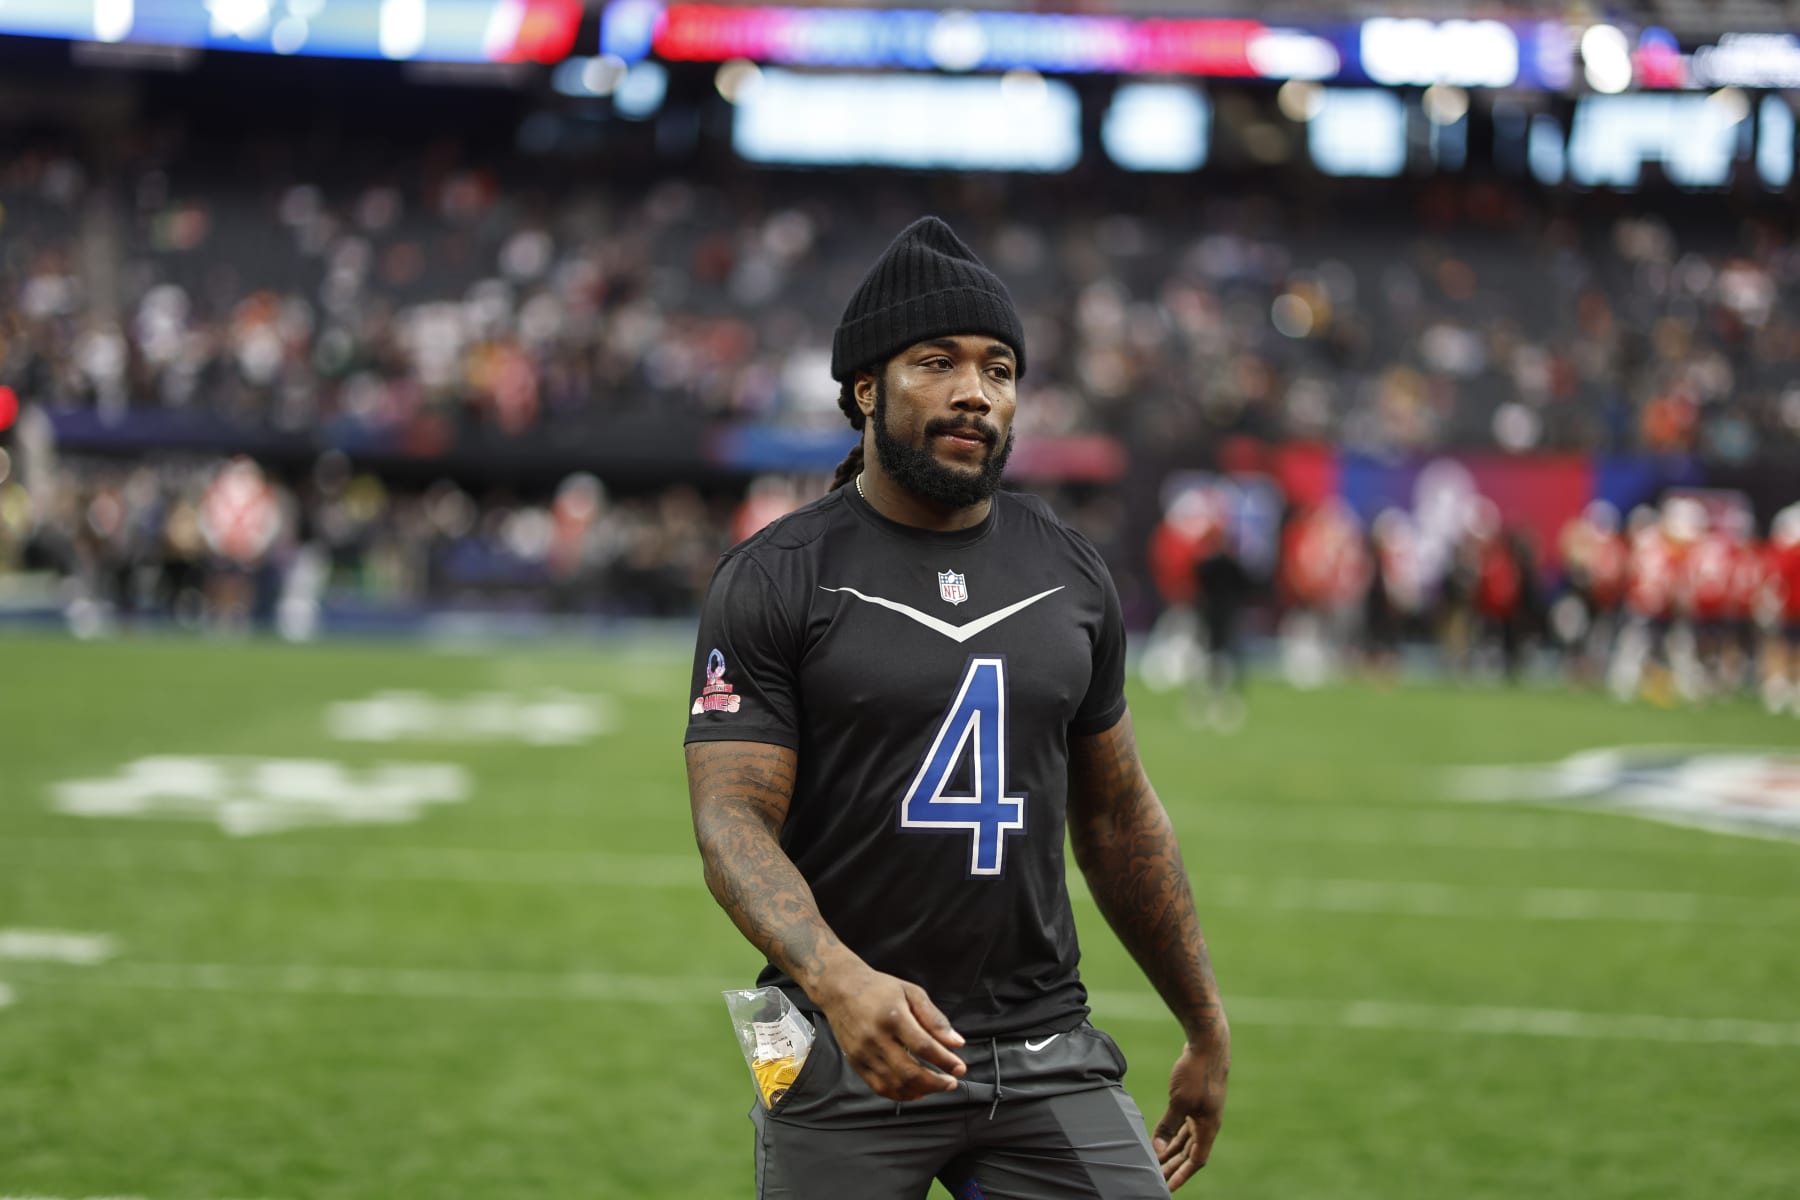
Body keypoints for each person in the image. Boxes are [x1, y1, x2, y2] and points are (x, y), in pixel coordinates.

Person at [684, 217, 1229, 1198]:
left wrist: (1203, 1018)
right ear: (866, 387)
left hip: (1042, 1041)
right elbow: (731, 820)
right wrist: (837, 980)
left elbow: (1118, 817)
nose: (976, 392)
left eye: (1000, 369)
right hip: (838, 1040)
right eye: (939, 362)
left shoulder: (1069, 570)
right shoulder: (776, 575)